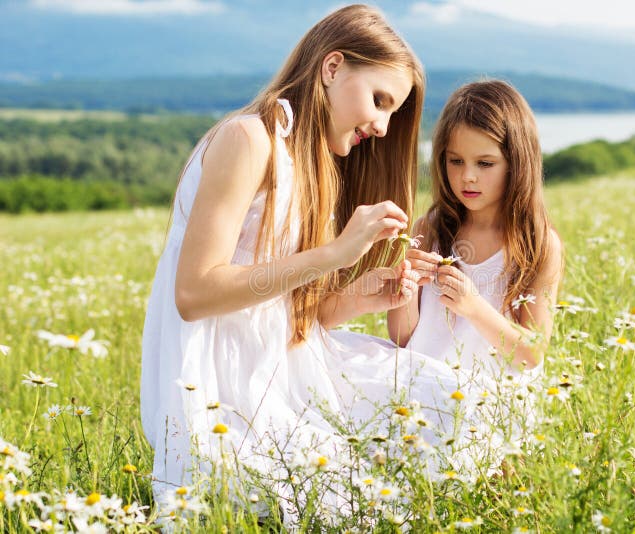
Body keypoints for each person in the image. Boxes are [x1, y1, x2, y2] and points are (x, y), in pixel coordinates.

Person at [140, 4, 462, 510]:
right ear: (332, 69)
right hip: (221, 387)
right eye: (379, 100)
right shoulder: (249, 139)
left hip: (281, 364)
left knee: (451, 403)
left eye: (392, 113)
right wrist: (333, 254)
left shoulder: (310, 163)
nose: (381, 126)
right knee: (343, 498)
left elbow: (294, 314)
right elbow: (194, 293)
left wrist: (364, 293)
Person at [388, 80, 563, 376]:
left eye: (485, 163)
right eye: (455, 161)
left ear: (517, 164)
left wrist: (472, 306)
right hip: (421, 379)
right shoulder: (429, 229)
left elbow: (531, 354)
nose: (467, 176)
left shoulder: (538, 244)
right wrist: (404, 287)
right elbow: (402, 338)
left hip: (490, 397)